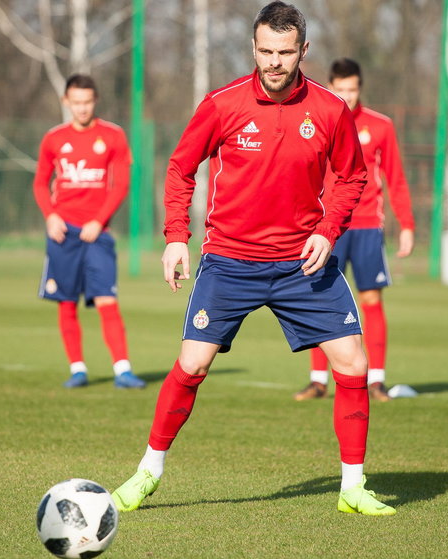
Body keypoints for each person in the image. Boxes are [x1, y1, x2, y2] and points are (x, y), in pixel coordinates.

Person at [111, 2, 396, 516]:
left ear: (303, 51)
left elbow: (353, 176)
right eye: (265, 51)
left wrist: (329, 231)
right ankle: (148, 471)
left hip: (302, 263)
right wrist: (177, 235)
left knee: (353, 362)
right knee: (192, 363)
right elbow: (180, 169)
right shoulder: (222, 105)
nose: (274, 62)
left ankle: (352, 487)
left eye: (285, 53)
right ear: (253, 48)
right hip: (229, 260)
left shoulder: (331, 110)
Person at [294, 58, 415, 403]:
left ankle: (375, 379)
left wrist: (406, 224)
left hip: (365, 228)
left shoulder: (380, 126)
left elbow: (396, 178)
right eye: (340, 90)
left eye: (352, 90)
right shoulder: (315, 122)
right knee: (317, 299)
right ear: (330, 87)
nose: (346, 96)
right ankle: (318, 380)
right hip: (326, 227)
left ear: (360, 88)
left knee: (371, 300)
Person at [33, 74, 146, 390]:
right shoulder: (53, 138)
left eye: (87, 102)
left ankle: (122, 370)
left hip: (98, 234)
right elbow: (40, 183)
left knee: (107, 300)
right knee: (66, 302)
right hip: (62, 233)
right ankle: (78, 369)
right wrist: (50, 216)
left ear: (95, 101)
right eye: (76, 103)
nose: (82, 109)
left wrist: (99, 220)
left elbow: (121, 184)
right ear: (65, 102)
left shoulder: (113, 136)